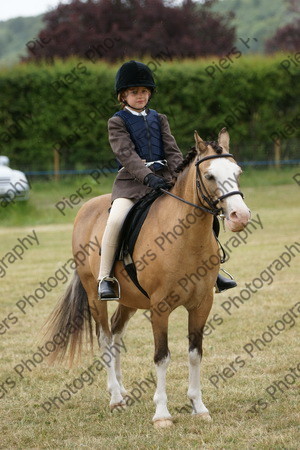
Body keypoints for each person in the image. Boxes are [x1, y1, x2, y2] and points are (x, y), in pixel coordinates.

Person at [97, 60, 236, 300]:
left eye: (143, 91)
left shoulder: (159, 118)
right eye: (134, 92)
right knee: (116, 220)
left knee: (205, 211)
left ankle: (214, 270)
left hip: (164, 180)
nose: (140, 96)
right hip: (131, 184)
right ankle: (105, 277)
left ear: (149, 93)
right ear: (123, 96)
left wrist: (177, 177)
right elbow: (126, 155)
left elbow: (172, 151)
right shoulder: (117, 121)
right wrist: (147, 177)